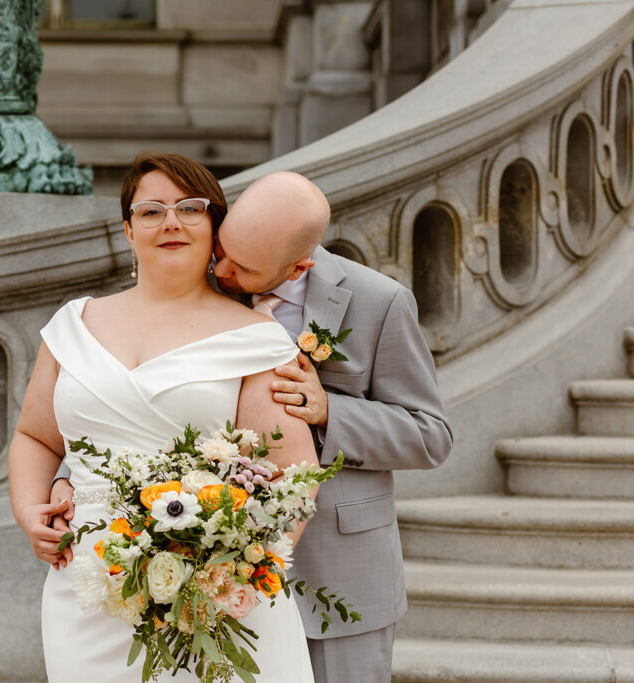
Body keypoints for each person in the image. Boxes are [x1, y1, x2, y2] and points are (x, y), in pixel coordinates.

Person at [51, 170, 453, 682]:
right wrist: (72, 472)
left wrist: (329, 411)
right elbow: (139, 398)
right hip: (209, 567)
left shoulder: (380, 301)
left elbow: (430, 434)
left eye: (239, 266)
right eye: (221, 249)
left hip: (340, 567)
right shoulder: (206, 283)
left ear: (296, 267)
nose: (219, 268)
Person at [7, 153, 320, 682]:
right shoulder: (71, 326)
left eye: (189, 208)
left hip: (213, 598)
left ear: (215, 228)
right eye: (151, 211)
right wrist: (29, 510)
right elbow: (35, 437)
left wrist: (230, 567)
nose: (170, 221)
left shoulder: (259, 340)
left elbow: (295, 476)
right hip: (87, 588)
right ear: (129, 230)